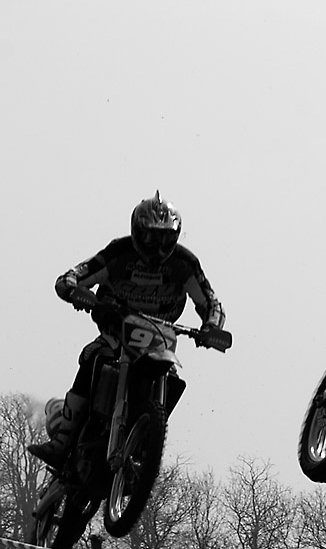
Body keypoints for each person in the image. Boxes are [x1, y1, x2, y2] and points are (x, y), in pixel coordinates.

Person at [27, 192, 228, 465]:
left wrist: (211, 327)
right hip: (116, 329)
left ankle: (146, 443)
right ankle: (62, 443)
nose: (158, 247)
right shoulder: (118, 253)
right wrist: (75, 292)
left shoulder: (185, 264)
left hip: (160, 337)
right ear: (137, 232)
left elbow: (211, 302)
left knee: (173, 378)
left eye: (165, 238)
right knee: (94, 356)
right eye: (151, 237)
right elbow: (71, 276)